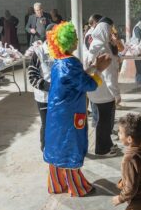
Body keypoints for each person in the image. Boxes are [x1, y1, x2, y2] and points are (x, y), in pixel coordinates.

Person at [44, 22, 111, 197]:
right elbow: (88, 84)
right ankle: (77, 186)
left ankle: (57, 183)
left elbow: (78, 78)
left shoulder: (59, 63)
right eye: (74, 38)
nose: (76, 40)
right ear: (68, 42)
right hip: (70, 113)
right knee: (70, 146)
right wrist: (100, 70)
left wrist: (94, 67)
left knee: (58, 146)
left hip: (57, 113)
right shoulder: (71, 63)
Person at [83, 14, 121, 157]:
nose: (112, 33)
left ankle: (107, 144)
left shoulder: (93, 45)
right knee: (105, 122)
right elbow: (110, 76)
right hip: (105, 92)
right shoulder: (104, 49)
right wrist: (116, 94)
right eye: (110, 30)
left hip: (94, 90)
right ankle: (102, 149)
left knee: (101, 120)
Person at [28, 35, 54, 151]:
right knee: (46, 123)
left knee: (56, 123)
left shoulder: (60, 51)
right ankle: (45, 147)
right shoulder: (38, 52)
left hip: (58, 95)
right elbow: (32, 76)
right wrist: (49, 86)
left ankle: (54, 146)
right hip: (43, 97)